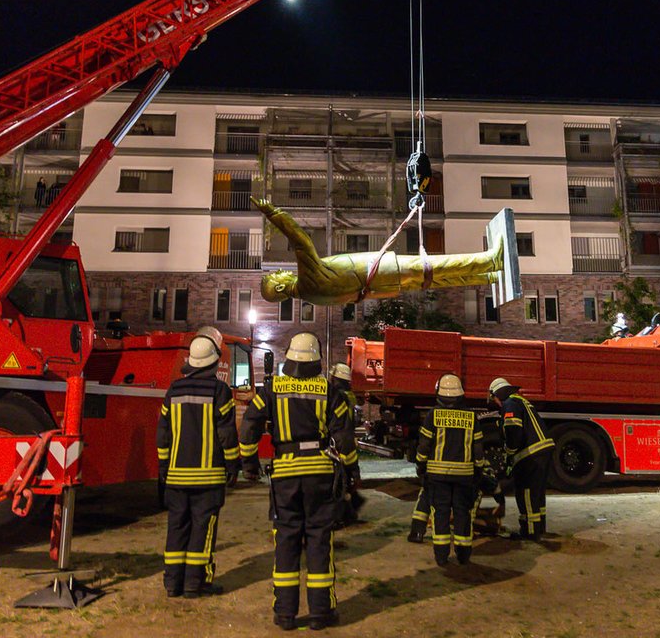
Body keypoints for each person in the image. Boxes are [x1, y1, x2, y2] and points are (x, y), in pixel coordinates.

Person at [239, 332, 359, 632]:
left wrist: (249, 464)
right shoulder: (330, 392)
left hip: (285, 475)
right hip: (319, 475)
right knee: (320, 540)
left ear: (290, 358)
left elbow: (250, 425)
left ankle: (285, 614)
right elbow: (344, 437)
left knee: (286, 541)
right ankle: (321, 613)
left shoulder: (272, 389)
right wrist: (351, 469)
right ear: (317, 359)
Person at [254, 198, 506, 306]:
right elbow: (301, 243)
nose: (278, 271)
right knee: (432, 267)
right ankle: (488, 261)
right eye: (276, 277)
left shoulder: (312, 296)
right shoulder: (308, 283)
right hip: (378, 274)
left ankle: (486, 277)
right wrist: (273, 214)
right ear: (279, 289)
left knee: (430, 280)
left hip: (376, 287)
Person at [155, 335, 239, 598]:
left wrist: (163, 468)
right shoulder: (219, 391)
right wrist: (233, 463)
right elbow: (226, 432)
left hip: (176, 477)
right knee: (203, 528)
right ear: (212, 364)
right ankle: (195, 583)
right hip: (208, 478)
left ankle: (172, 583)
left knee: (177, 526)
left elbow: (163, 434)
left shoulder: (173, 390)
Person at [415, 374, 485, 566]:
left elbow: (424, 445)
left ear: (440, 394)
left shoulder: (433, 415)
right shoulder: (472, 417)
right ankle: (463, 554)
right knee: (463, 513)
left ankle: (441, 555)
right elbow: (478, 449)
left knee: (441, 514)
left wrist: (420, 465)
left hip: (437, 477)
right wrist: (478, 469)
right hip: (464, 477)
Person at [488, 377, 554, 541]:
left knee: (526, 493)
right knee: (537, 493)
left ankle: (530, 532)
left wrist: (509, 452)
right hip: (542, 452)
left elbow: (512, 430)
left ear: (498, 395)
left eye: (495, 399)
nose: (496, 404)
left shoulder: (509, 404)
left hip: (530, 455)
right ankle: (539, 528)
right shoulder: (521, 401)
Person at [328, 362, 365, 526]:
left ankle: (338, 518)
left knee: (338, 482)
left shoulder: (338, 396)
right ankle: (349, 512)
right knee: (347, 478)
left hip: (340, 440)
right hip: (348, 438)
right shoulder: (349, 395)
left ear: (336, 379)